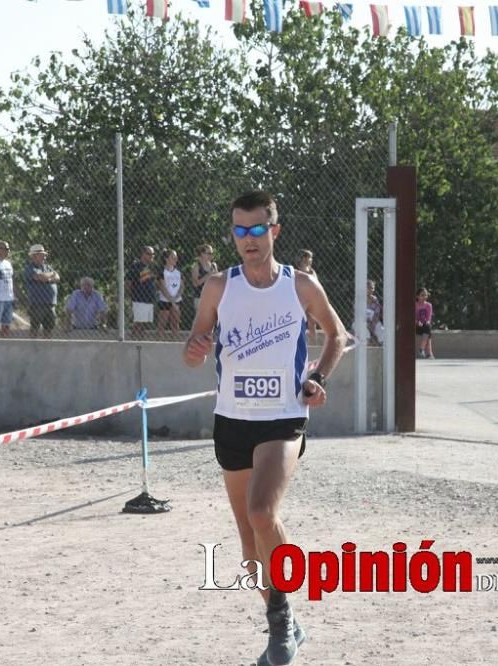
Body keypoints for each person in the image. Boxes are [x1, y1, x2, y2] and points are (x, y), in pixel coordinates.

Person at [183, 191, 347, 666]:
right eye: (240, 230)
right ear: (232, 234)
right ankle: (291, 627)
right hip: (232, 421)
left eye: (258, 229)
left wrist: (318, 378)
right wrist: (193, 350)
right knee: (250, 547)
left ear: (274, 231)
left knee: (261, 512)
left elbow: (337, 334)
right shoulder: (218, 286)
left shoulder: (300, 285)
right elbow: (194, 344)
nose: (249, 239)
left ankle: (280, 623)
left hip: (283, 417)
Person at [24, 243, 60, 338]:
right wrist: (51, 275)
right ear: (34, 256)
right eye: (42, 255)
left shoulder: (47, 267)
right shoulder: (30, 268)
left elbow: (57, 278)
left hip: (50, 303)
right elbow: (40, 277)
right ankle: (31, 348)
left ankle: (47, 349)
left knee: (49, 328)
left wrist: (48, 276)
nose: (44, 257)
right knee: (35, 328)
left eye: (44, 255)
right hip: (37, 304)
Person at [125, 246, 156, 337]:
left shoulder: (150, 267)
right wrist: (132, 296)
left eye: (153, 254)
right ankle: (134, 341)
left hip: (149, 299)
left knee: (144, 324)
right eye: (149, 254)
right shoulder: (136, 266)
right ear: (143, 254)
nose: (151, 256)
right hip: (139, 299)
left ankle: (141, 342)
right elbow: (128, 282)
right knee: (138, 322)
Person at [156, 248, 183, 337]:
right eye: (173, 257)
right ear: (166, 259)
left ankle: (175, 340)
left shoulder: (178, 272)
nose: (176, 259)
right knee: (162, 324)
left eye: (176, 257)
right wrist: (172, 302)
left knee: (175, 324)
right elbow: (163, 288)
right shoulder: (161, 272)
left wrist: (176, 299)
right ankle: (160, 342)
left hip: (177, 300)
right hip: (165, 301)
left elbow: (182, 286)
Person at [295, 249, 318, 342]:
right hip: (300, 300)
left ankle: (313, 343)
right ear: (304, 258)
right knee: (299, 322)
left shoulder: (312, 271)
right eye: (310, 258)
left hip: (311, 299)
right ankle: (299, 341)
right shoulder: (299, 271)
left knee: (312, 322)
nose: (311, 260)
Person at [190, 243, 218, 311]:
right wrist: (208, 275)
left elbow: (217, 282)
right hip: (200, 298)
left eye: (211, 253)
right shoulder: (196, 266)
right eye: (208, 253)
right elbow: (195, 284)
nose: (210, 255)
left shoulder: (214, 265)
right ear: (202, 254)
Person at [415, 288, 434, 359]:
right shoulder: (415, 305)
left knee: (427, 327)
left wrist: (426, 322)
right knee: (428, 332)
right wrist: (417, 322)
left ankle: (421, 349)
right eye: (422, 295)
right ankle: (429, 353)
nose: (424, 297)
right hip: (416, 326)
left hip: (425, 325)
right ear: (417, 296)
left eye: (425, 295)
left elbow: (429, 318)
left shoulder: (429, 305)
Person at [365, 279, 384, 345]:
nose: (371, 290)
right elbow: (358, 314)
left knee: (381, 330)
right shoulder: (359, 299)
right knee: (364, 332)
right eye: (369, 288)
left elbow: (377, 313)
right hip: (362, 322)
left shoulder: (375, 299)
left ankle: (384, 348)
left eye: (372, 288)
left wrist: (372, 323)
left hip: (374, 321)